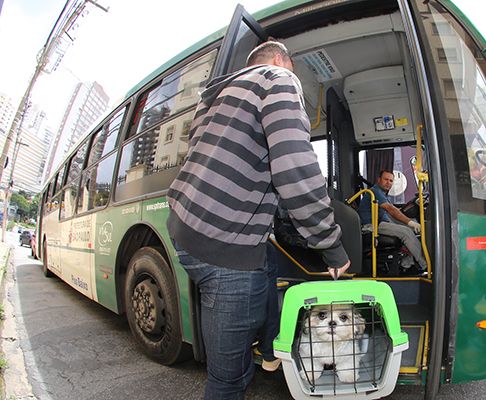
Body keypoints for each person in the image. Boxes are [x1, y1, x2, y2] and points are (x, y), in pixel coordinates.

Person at [166, 40, 350, 399]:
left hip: (183, 226)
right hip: (224, 249)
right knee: (229, 379)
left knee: (267, 261)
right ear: (282, 60)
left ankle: (269, 349)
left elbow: (228, 160)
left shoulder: (218, 96)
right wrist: (330, 245)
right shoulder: (278, 79)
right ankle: (254, 359)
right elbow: (294, 166)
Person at [357, 170, 427, 271]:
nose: (388, 183)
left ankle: (407, 263)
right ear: (379, 179)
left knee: (411, 228)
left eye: (391, 181)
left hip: (381, 223)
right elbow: (390, 209)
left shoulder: (382, 194)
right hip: (371, 226)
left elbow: (395, 209)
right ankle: (425, 265)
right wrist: (410, 222)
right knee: (406, 231)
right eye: (386, 179)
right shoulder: (374, 191)